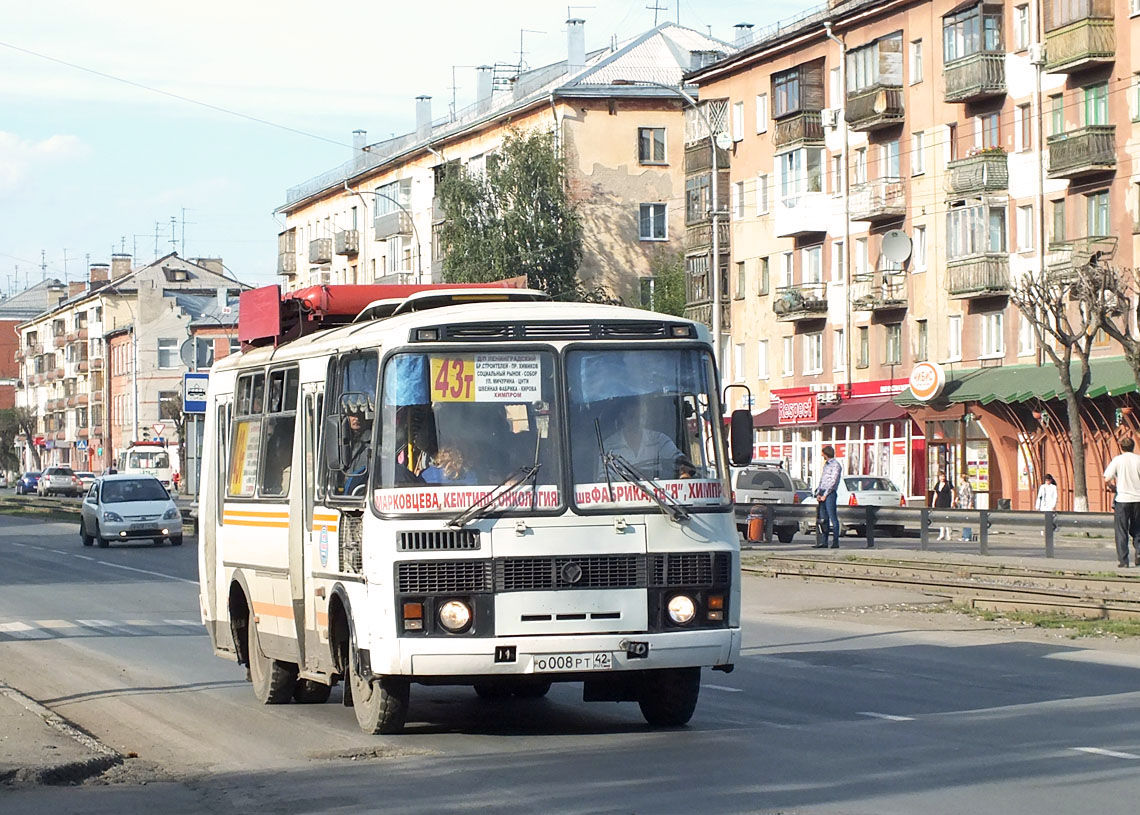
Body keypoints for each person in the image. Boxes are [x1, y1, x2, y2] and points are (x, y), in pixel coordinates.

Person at [597, 402, 685, 481]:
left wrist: (684, 469)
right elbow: (603, 480)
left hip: (659, 496)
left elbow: (680, 461)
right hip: (621, 498)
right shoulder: (608, 446)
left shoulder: (658, 440)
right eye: (632, 416)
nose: (638, 421)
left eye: (642, 416)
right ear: (622, 417)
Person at [1104, 437, 1140, 567]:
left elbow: (1107, 478)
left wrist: (1112, 487)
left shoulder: (1118, 460)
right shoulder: (1138, 459)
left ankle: (1124, 561)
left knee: (1121, 530)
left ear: (1121, 447)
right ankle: (1139, 552)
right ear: (1133, 446)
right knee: (1138, 529)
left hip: (1122, 499)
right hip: (1138, 499)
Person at [813, 445, 842, 549]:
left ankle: (835, 542)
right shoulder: (826, 465)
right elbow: (823, 479)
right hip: (822, 491)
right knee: (823, 519)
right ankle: (823, 542)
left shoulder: (835, 465)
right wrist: (818, 493)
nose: (822, 455)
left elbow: (833, 481)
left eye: (823, 453)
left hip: (830, 493)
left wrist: (826, 494)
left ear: (826, 453)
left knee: (832, 518)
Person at [931, 472, 954, 541]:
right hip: (939, 502)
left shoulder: (948, 483)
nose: (942, 478)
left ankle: (949, 535)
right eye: (941, 476)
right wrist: (933, 502)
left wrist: (953, 501)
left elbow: (953, 492)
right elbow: (936, 493)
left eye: (943, 476)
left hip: (946, 502)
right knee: (941, 519)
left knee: (947, 518)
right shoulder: (938, 484)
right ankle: (942, 534)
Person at [955, 475, 974, 541]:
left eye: (960, 478)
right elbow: (960, 495)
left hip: (966, 504)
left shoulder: (967, 485)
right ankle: (964, 535)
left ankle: (968, 536)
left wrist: (970, 504)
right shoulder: (961, 486)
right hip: (962, 504)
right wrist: (957, 499)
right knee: (963, 520)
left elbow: (971, 495)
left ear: (963, 479)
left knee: (967, 520)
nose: (959, 480)